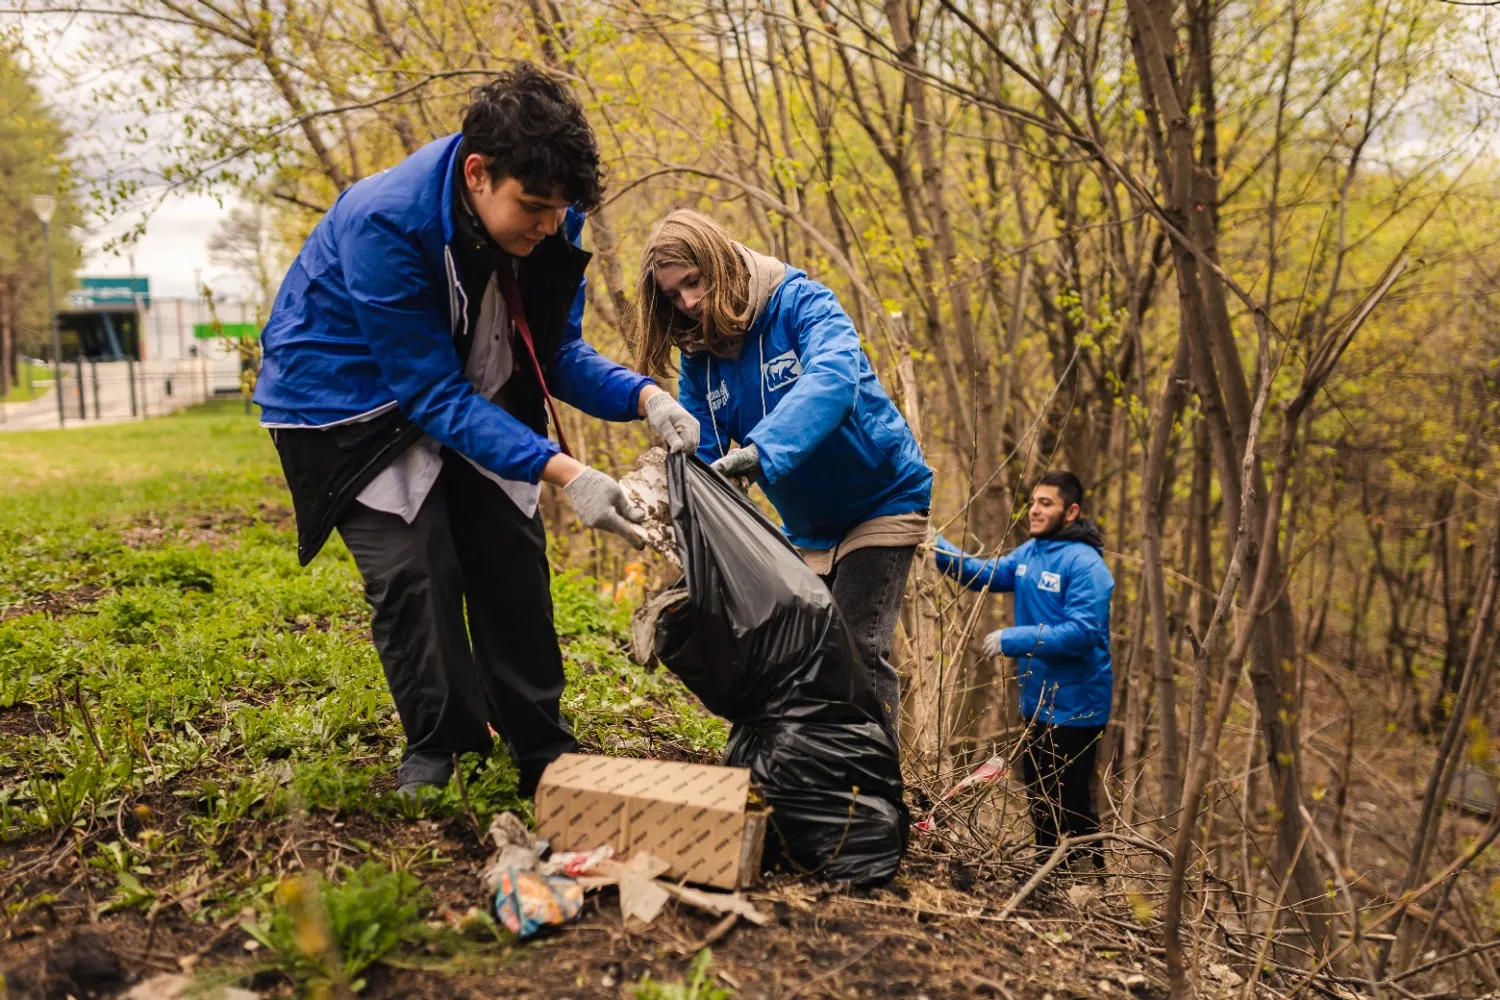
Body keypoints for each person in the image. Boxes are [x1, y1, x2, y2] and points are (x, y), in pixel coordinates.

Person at [253, 65, 701, 799]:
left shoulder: (554, 213)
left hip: (462, 380)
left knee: (509, 551)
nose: (549, 226)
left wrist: (645, 396)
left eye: (561, 211)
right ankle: (443, 748)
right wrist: (564, 472)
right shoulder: (386, 222)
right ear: (477, 173)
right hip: (346, 404)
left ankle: (541, 744)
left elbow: (554, 353)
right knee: (415, 565)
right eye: (532, 208)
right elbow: (429, 392)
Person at [634, 209, 932, 733]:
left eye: (694, 283)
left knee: (858, 647)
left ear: (720, 262)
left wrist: (760, 452)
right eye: (673, 295)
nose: (689, 303)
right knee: (800, 653)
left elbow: (835, 378)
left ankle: (879, 800)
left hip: (881, 497)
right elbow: (699, 453)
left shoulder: (801, 302)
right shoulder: (698, 361)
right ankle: (817, 781)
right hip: (807, 524)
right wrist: (669, 515)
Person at [932, 471, 1114, 870]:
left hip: (1078, 706)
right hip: (1038, 701)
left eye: (1045, 503)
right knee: (1038, 792)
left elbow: (1083, 634)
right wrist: (935, 545)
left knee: (1072, 801)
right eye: (1033, 502)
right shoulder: (1031, 552)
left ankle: (1088, 883)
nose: (1034, 509)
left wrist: (1015, 638)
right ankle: (1048, 877)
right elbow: (988, 574)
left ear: (1071, 511)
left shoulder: (1087, 566)